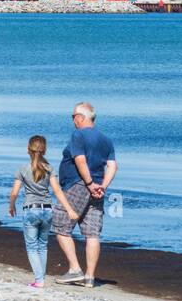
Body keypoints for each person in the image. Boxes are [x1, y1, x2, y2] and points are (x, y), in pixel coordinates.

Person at [51, 102, 117, 288]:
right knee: (92, 233)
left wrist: (89, 184)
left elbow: (80, 160)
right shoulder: (106, 139)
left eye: (73, 116)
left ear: (81, 117)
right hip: (97, 189)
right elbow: (112, 166)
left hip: (78, 185)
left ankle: (74, 269)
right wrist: (102, 185)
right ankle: (90, 277)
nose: (72, 120)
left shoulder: (78, 134)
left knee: (61, 224)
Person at [7, 135, 76, 288]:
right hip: (47, 211)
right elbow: (57, 191)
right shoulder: (49, 169)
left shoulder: (23, 169)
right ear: (44, 150)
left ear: (28, 149)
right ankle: (41, 278)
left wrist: (11, 206)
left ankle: (39, 280)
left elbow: (15, 192)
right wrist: (69, 209)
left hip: (31, 211)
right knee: (43, 245)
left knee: (32, 246)